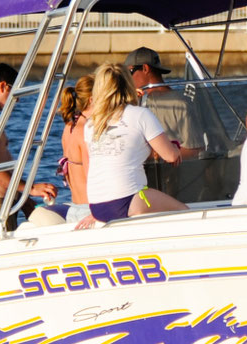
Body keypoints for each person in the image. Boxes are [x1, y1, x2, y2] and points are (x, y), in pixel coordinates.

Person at [78, 62, 187, 225]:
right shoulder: (140, 115)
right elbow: (170, 156)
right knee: (184, 212)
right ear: (129, 84)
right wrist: (175, 148)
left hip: (97, 207)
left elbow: (97, 164)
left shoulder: (91, 124)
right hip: (128, 200)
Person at [0, 63, 58, 240]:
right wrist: (30, 188)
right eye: (16, 92)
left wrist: (24, 200)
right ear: (3, 86)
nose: (18, 99)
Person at [127, 45, 232, 201]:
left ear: (145, 68)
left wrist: (154, 156)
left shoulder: (180, 103)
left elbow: (195, 149)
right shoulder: (132, 105)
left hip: (171, 183)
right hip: (140, 183)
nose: (127, 78)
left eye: (129, 72)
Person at [57, 75, 94, 226]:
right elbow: (92, 175)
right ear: (92, 99)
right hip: (90, 212)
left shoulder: (69, 127)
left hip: (75, 209)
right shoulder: (87, 130)